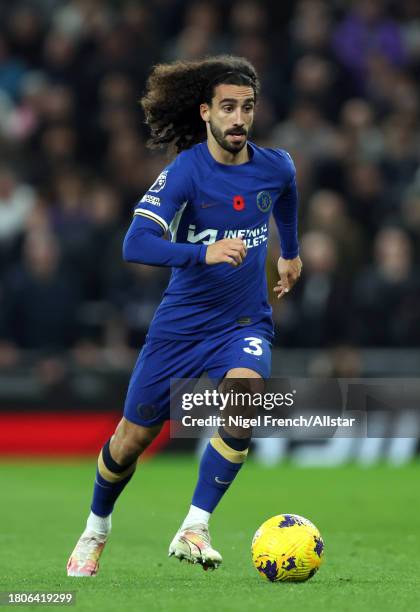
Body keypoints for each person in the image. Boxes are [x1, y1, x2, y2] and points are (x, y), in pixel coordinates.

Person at [67, 55, 302, 577]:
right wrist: (204, 252)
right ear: (205, 113)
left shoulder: (277, 165)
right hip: (181, 327)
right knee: (130, 441)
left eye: (246, 107)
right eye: (227, 108)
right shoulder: (185, 172)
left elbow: (285, 198)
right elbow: (135, 243)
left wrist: (290, 251)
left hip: (243, 323)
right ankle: (95, 529)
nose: (238, 118)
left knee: (246, 400)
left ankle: (195, 526)